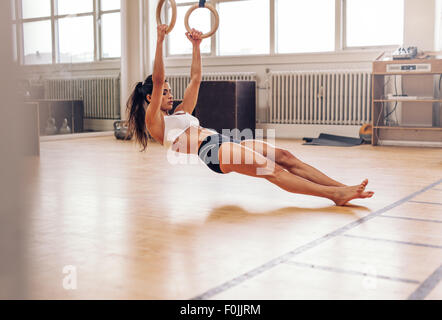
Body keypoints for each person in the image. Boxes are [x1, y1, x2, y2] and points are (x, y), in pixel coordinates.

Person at [126, 25, 374, 206]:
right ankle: (335, 196)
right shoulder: (154, 122)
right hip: (212, 152)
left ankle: (342, 187)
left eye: (170, 91)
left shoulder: (181, 112)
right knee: (273, 171)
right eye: (166, 93)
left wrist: (196, 47)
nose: (170, 95)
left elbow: (195, 78)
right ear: (151, 98)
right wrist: (160, 40)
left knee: (285, 156)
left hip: (225, 141)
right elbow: (157, 81)